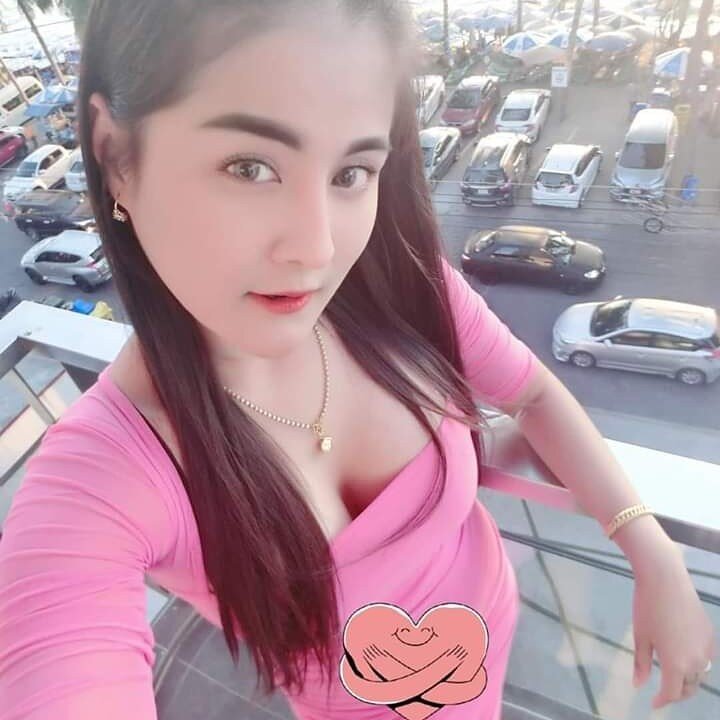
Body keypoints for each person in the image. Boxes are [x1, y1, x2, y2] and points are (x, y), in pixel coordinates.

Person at [0, 2, 715, 719]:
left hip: (491, 646)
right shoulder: (104, 480)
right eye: (251, 167)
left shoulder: (402, 287)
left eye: (351, 173)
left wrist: (650, 552)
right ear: (116, 156)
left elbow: (531, 396)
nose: (317, 248)